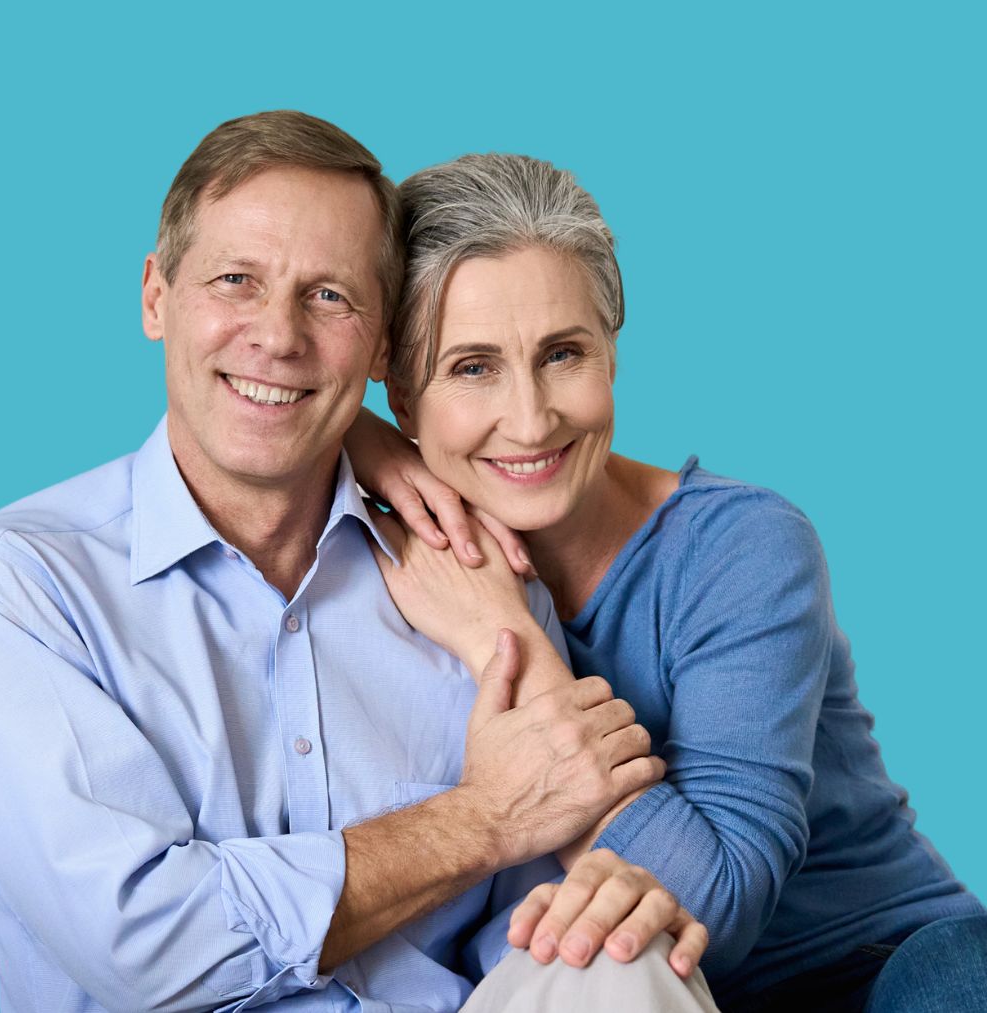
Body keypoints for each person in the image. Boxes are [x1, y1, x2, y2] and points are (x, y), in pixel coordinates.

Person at [0, 112, 719, 1013]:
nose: (278, 336)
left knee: (621, 955)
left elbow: (534, 924)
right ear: (155, 297)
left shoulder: (471, 576)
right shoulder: (17, 588)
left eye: (330, 296)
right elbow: (145, 943)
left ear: (380, 347)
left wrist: (608, 914)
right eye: (236, 280)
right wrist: (480, 818)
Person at [344, 151, 987, 1012]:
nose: (530, 419)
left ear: (611, 353)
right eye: (471, 367)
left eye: (562, 353)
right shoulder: (375, 549)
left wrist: (509, 637)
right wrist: (356, 434)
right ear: (397, 387)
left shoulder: (743, 547)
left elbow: (714, 906)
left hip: (878, 968)